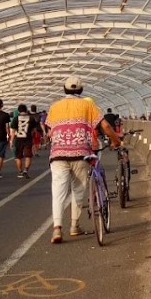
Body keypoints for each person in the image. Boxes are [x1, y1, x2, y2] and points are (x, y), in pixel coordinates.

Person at [45, 75, 120, 243]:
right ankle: (74, 226)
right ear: (81, 90)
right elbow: (105, 126)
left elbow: (50, 132)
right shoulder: (88, 105)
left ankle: (57, 229)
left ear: (64, 89)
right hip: (81, 153)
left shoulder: (54, 107)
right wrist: (116, 140)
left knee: (58, 191)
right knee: (78, 189)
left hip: (58, 155)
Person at [11, 103, 41, 178]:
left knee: (18, 157)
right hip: (28, 139)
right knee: (28, 156)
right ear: (26, 110)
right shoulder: (31, 118)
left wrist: (11, 141)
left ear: (19, 111)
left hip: (18, 139)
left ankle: (20, 171)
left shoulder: (16, 119)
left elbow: (13, 131)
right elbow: (34, 130)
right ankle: (26, 170)